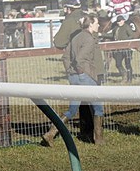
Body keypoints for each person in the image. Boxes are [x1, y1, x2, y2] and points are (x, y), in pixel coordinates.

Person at [43, 15, 104, 146]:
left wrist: (70, 71)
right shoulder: (89, 39)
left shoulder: (76, 37)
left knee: (72, 110)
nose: (98, 25)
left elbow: (65, 57)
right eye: (97, 23)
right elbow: (80, 59)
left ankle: (50, 134)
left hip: (73, 77)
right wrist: (82, 72)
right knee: (98, 107)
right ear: (91, 25)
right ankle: (99, 139)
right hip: (85, 76)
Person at [110, 15, 136, 83]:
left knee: (128, 64)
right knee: (118, 63)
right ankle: (124, 75)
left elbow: (132, 35)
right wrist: (101, 34)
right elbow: (111, 35)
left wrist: (124, 40)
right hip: (119, 49)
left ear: (123, 21)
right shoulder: (116, 28)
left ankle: (129, 79)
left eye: (120, 21)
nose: (119, 23)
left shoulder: (127, 27)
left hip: (127, 49)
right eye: (118, 21)